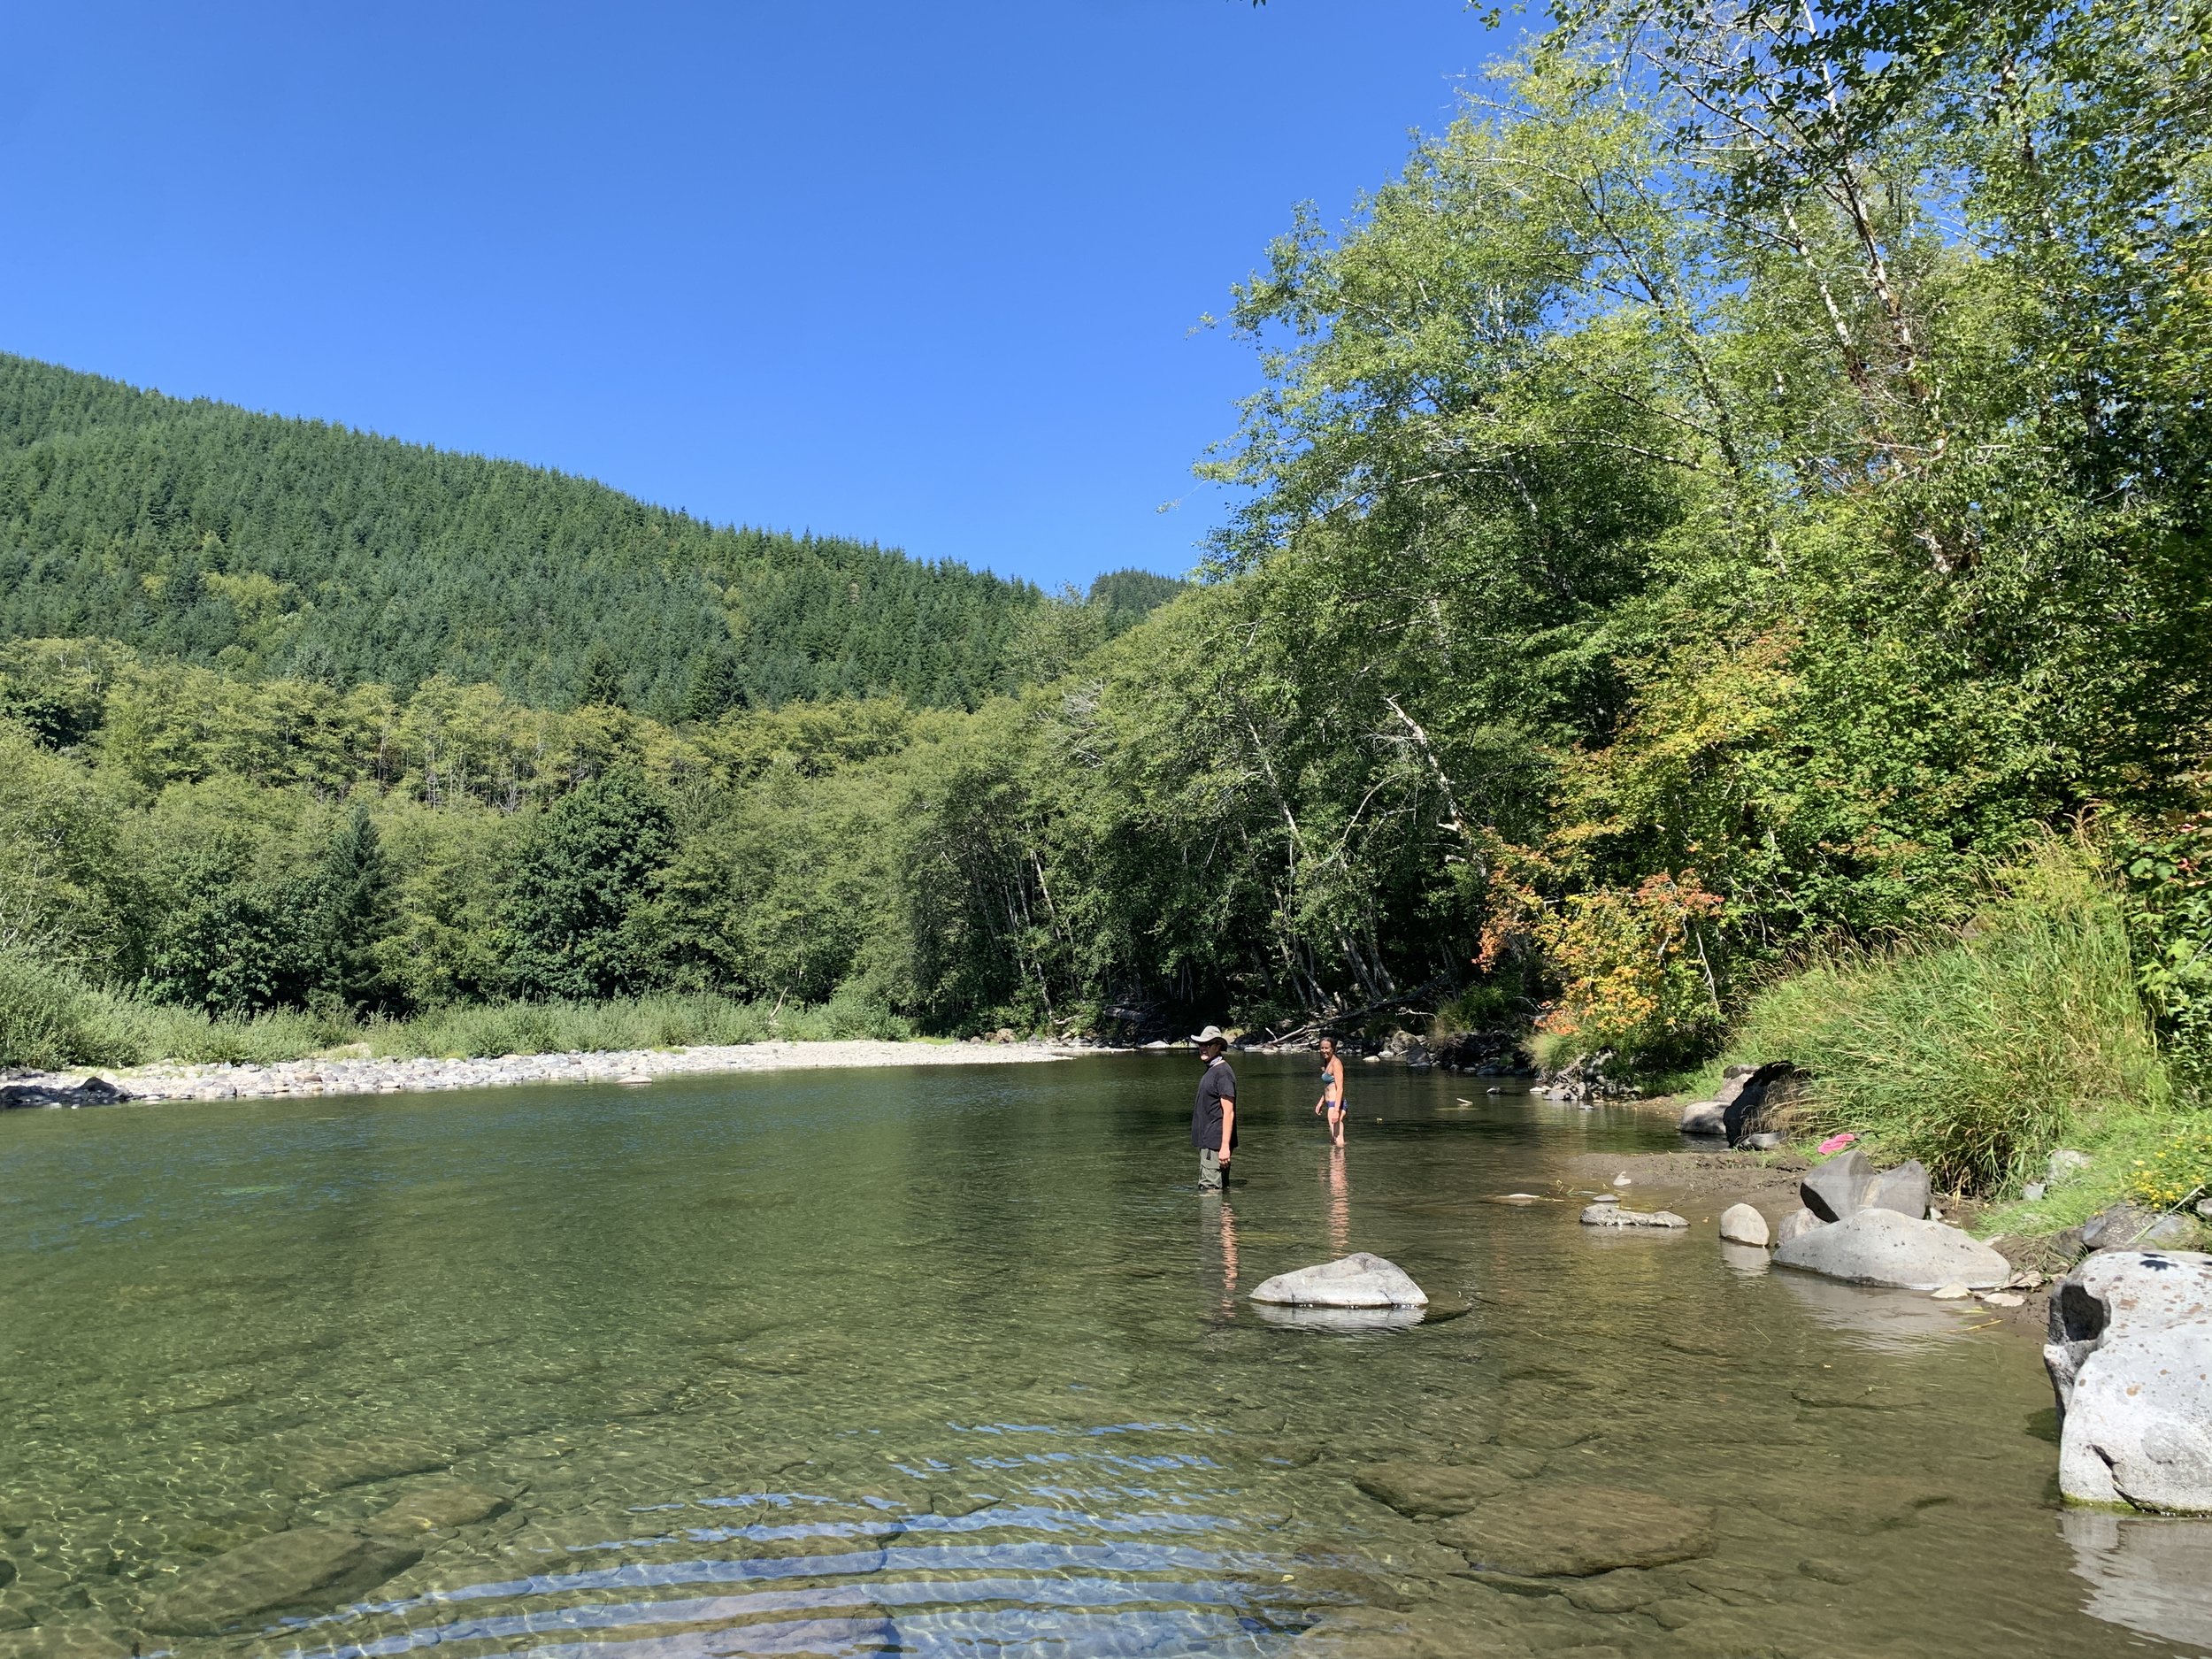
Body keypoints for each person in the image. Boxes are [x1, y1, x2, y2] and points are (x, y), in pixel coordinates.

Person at [1189, 1025, 1238, 1193]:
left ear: (1218, 1047)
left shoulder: (1223, 1073)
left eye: (1207, 1044)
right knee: (1221, 1191)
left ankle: (1211, 1219)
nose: (1203, 1048)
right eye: (1200, 1044)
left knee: (1209, 1190)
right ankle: (1225, 1219)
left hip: (1214, 1144)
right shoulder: (1212, 1069)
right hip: (1211, 1143)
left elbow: (1229, 1112)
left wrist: (1224, 1146)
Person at [1313, 1033, 1347, 1148]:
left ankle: (1339, 1165)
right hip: (1330, 1104)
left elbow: (1340, 1088)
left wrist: (1336, 1110)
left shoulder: (1336, 1064)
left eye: (1326, 1048)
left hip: (1335, 1105)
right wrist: (1321, 1102)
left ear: (1333, 1049)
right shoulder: (1327, 1062)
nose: (1324, 1050)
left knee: (1338, 1140)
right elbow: (1329, 1086)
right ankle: (1335, 1165)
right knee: (1333, 1140)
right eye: (1322, 1048)